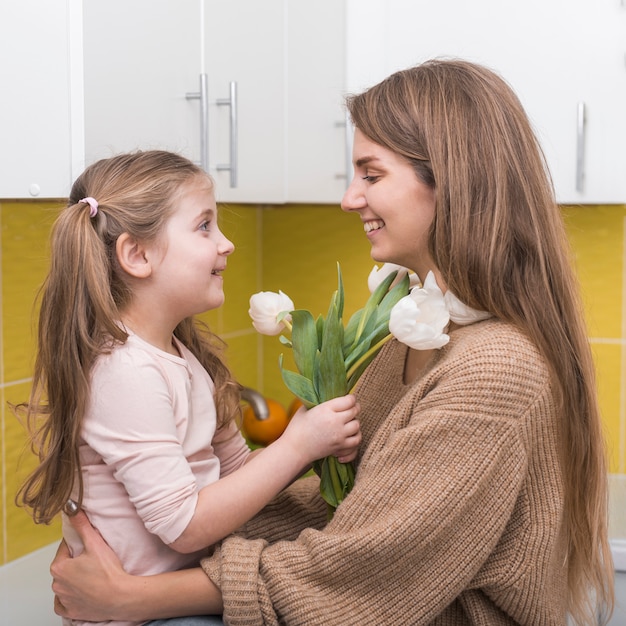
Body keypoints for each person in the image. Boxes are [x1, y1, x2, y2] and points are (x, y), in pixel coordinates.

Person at [49, 59, 615, 625]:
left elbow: (363, 578)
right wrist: (128, 553)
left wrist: (134, 594)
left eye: (371, 175)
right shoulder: (419, 330)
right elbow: (345, 508)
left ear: (452, 180)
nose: (348, 199)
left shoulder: (493, 370)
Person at [15, 150, 361, 626]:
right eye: (204, 226)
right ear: (138, 255)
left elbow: (235, 477)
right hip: (144, 616)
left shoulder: (179, 354)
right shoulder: (127, 372)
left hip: (167, 595)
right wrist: (298, 447)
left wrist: (308, 445)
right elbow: (184, 526)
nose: (227, 244)